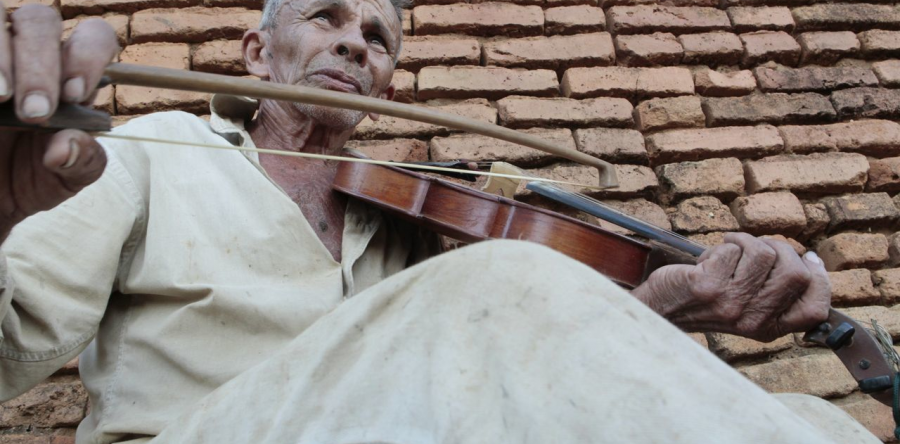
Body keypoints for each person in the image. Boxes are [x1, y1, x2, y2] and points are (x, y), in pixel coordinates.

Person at [0, 1, 881, 443]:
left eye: (377, 37)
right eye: (325, 17)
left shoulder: (410, 222)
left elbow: (483, 382)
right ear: (259, 52)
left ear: (385, 80)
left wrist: (657, 307)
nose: (355, 42)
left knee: (820, 423)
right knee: (495, 281)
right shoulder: (150, 148)